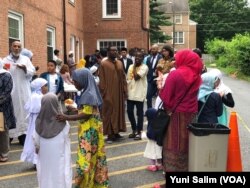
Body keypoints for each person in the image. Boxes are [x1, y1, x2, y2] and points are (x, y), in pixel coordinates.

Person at [56, 68, 109, 188]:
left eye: (76, 81)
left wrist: (66, 117)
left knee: (86, 157)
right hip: (90, 130)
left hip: (90, 132)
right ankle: (91, 182)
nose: (74, 83)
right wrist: (75, 109)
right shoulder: (88, 91)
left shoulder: (89, 94)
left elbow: (87, 114)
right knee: (92, 157)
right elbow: (86, 110)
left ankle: (86, 183)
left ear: (83, 80)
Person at [159, 49, 203, 175]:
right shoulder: (196, 75)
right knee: (189, 143)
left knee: (174, 143)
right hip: (192, 114)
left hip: (176, 114)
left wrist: (160, 88)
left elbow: (166, 97)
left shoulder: (175, 74)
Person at [33, 93, 72, 188]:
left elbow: (36, 142)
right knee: (59, 174)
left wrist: (37, 148)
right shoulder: (63, 123)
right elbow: (67, 137)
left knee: (45, 175)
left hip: (44, 157)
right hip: (59, 155)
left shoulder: (38, 122)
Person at [2, 40, 36, 145]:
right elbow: (3, 73)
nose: (17, 48)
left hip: (23, 91)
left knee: (24, 113)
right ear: (11, 47)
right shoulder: (5, 60)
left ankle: (23, 136)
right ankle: (10, 136)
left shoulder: (25, 59)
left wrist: (25, 68)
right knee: (12, 113)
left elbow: (32, 72)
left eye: (19, 46)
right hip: (11, 92)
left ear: (21, 48)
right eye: (15, 46)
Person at [98, 46, 128, 143]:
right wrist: (103, 93)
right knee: (109, 112)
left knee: (118, 111)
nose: (114, 52)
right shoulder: (103, 64)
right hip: (108, 92)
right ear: (108, 52)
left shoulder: (119, 63)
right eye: (112, 50)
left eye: (116, 50)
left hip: (118, 92)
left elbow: (123, 77)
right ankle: (110, 135)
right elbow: (101, 79)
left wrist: (125, 90)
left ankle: (117, 132)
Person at [20, 78, 48, 166]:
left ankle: (37, 160)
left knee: (35, 139)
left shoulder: (35, 96)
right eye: (45, 86)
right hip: (39, 122)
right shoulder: (37, 97)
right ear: (40, 87)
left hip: (37, 121)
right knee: (37, 139)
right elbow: (38, 109)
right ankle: (37, 160)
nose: (46, 88)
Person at [126, 51, 148, 140]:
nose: (137, 58)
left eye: (139, 57)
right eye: (136, 57)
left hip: (139, 93)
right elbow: (128, 78)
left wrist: (135, 66)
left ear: (143, 59)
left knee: (139, 113)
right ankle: (134, 129)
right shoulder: (130, 66)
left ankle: (139, 132)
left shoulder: (144, 67)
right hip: (130, 93)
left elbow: (136, 77)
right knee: (129, 112)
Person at [0, 58, 16, 162]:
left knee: (2, 131)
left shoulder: (6, 75)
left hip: (2, 107)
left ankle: (4, 153)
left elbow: (7, 91)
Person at [143, 108, 163, 172]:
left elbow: (150, 135)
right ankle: (159, 165)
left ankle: (153, 166)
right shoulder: (159, 122)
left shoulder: (151, 125)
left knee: (152, 154)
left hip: (152, 143)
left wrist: (144, 134)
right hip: (159, 142)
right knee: (159, 154)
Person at [145, 44, 162, 108]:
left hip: (158, 79)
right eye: (151, 49)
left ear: (157, 50)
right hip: (150, 79)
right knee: (148, 95)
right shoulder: (148, 58)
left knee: (159, 96)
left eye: (154, 49)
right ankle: (149, 109)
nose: (152, 50)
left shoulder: (161, 58)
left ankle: (158, 110)